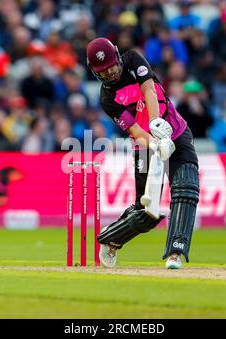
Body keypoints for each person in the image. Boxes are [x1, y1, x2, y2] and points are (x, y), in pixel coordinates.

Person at [86, 38, 200, 269]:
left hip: (174, 130)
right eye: (103, 72)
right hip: (145, 147)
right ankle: (111, 239)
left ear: (117, 56)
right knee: (146, 213)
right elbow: (135, 130)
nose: (110, 73)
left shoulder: (133, 60)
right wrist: (155, 143)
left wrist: (156, 123)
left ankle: (176, 252)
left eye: (112, 66)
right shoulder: (108, 99)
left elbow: (148, 88)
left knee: (186, 188)